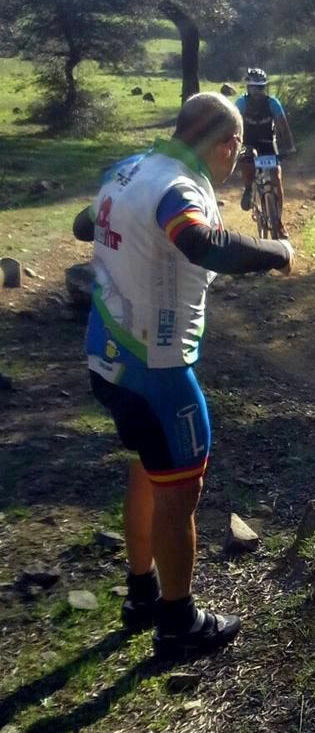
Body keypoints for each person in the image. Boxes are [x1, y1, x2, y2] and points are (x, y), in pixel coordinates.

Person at [72, 93, 294, 661]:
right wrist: (277, 251)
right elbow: (199, 241)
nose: (233, 162)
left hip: (107, 353)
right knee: (181, 486)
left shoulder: (126, 170)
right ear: (225, 144)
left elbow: (83, 223)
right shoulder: (177, 187)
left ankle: (143, 590)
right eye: (235, 151)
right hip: (156, 366)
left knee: (150, 468)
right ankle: (178, 619)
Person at [234, 69, 295, 239]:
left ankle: (279, 221)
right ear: (248, 87)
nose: (257, 92)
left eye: (260, 88)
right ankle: (248, 188)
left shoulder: (272, 103)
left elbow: (283, 126)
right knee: (247, 162)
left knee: (276, 178)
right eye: (254, 88)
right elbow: (233, 123)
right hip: (248, 142)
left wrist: (289, 147)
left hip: (268, 142)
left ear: (265, 88)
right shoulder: (241, 103)